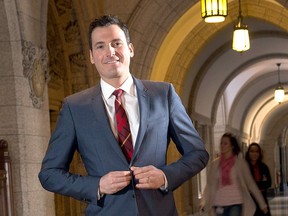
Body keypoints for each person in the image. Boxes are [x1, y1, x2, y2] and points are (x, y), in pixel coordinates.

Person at [38, 15, 209, 216]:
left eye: (116, 43)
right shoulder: (74, 107)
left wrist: (165, 176)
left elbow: (198, 154)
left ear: (130, 49)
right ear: (92, 56)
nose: (110, 51)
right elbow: (49, 175)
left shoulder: (164, 95)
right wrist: (98, 185)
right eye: (100, 46)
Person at [200, 133, 267, 216]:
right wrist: (203, 201)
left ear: (232, 146)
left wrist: (262, 204)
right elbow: (209, 185)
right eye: (221, 143)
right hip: (218, 203)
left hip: (235, 203)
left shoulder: (240, 164)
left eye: (225, 143)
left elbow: (251, 184)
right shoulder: (215, 164)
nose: (222, 145)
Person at [245, 143, 272, 216]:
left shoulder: (264, 167)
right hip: (249, 200)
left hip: (262, 198)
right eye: (252, 151)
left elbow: (268, 183)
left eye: (257, 151)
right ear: (248, 153)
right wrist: (260, 183)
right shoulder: (244, 167)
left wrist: (253, 185)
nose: (254, 154)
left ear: (259, 153)